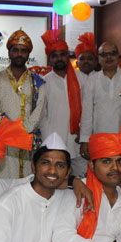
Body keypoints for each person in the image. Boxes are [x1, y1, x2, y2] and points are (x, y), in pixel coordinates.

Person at [0, 29, 46, 178]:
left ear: (28, 54)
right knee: (1, 177)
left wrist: (24, 130)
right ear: (9, 52)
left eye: (23, 51)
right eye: (15, 50)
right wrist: (11, 130)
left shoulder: (38, 82)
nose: (19, 54)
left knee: (26, 180)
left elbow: (40, 110)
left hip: (27, 138)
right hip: (3, 138)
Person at [79, 42, 121, 160]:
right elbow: (87, 113)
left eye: (112, 53)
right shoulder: (91, 81)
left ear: (118, 56)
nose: (108, 57)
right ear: (98, 59)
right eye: (104, 55)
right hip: (99, 137)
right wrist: (85, 140)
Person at [40, 29, 87, 177]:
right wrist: (48, 140)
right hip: (54, 141)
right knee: (56, 181)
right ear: (50, 59)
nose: (59, 58)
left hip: (78, 142)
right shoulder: (44, 82)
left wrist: (85, 135)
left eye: (62, 54)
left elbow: (88, 110)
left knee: (82, 180)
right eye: (54, 56)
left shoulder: (83, 79)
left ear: (68, 56)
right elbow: (42, 115)